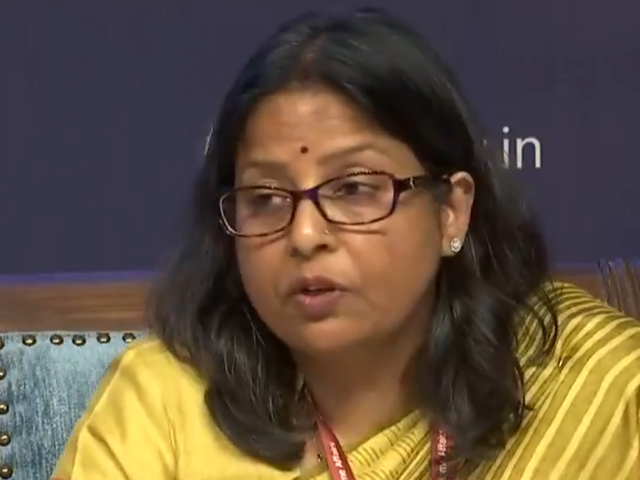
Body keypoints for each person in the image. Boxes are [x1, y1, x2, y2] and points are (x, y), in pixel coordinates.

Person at [52, 8, 640, 480]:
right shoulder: (161, 405)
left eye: (355, 189)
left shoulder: (597, 389)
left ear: (451, 211)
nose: (305, 236)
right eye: (265, 197)